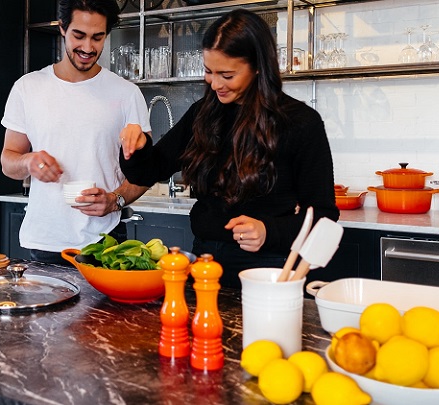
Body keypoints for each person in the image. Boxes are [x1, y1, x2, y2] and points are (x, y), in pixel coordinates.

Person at [119, 9, 339, 288]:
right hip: (205, 265)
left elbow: (323, 216)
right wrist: (136, 147)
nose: (215, 84)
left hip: (267, 269)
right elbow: (149, 170)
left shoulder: (300, 123)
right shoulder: (203, 114)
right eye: (209, 72)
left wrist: (268, 231)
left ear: (258, 67)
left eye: (227, 74)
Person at [1, 0, 151, 265]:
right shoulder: (28, 88)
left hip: (105, 243)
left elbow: (147, 172)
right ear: (62, 28)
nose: (88, 48)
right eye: (79, 36)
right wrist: (28, 161)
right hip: (44, 241)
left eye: (98, 37)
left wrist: (115, 200)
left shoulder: (126, 93)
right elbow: (8, 162)